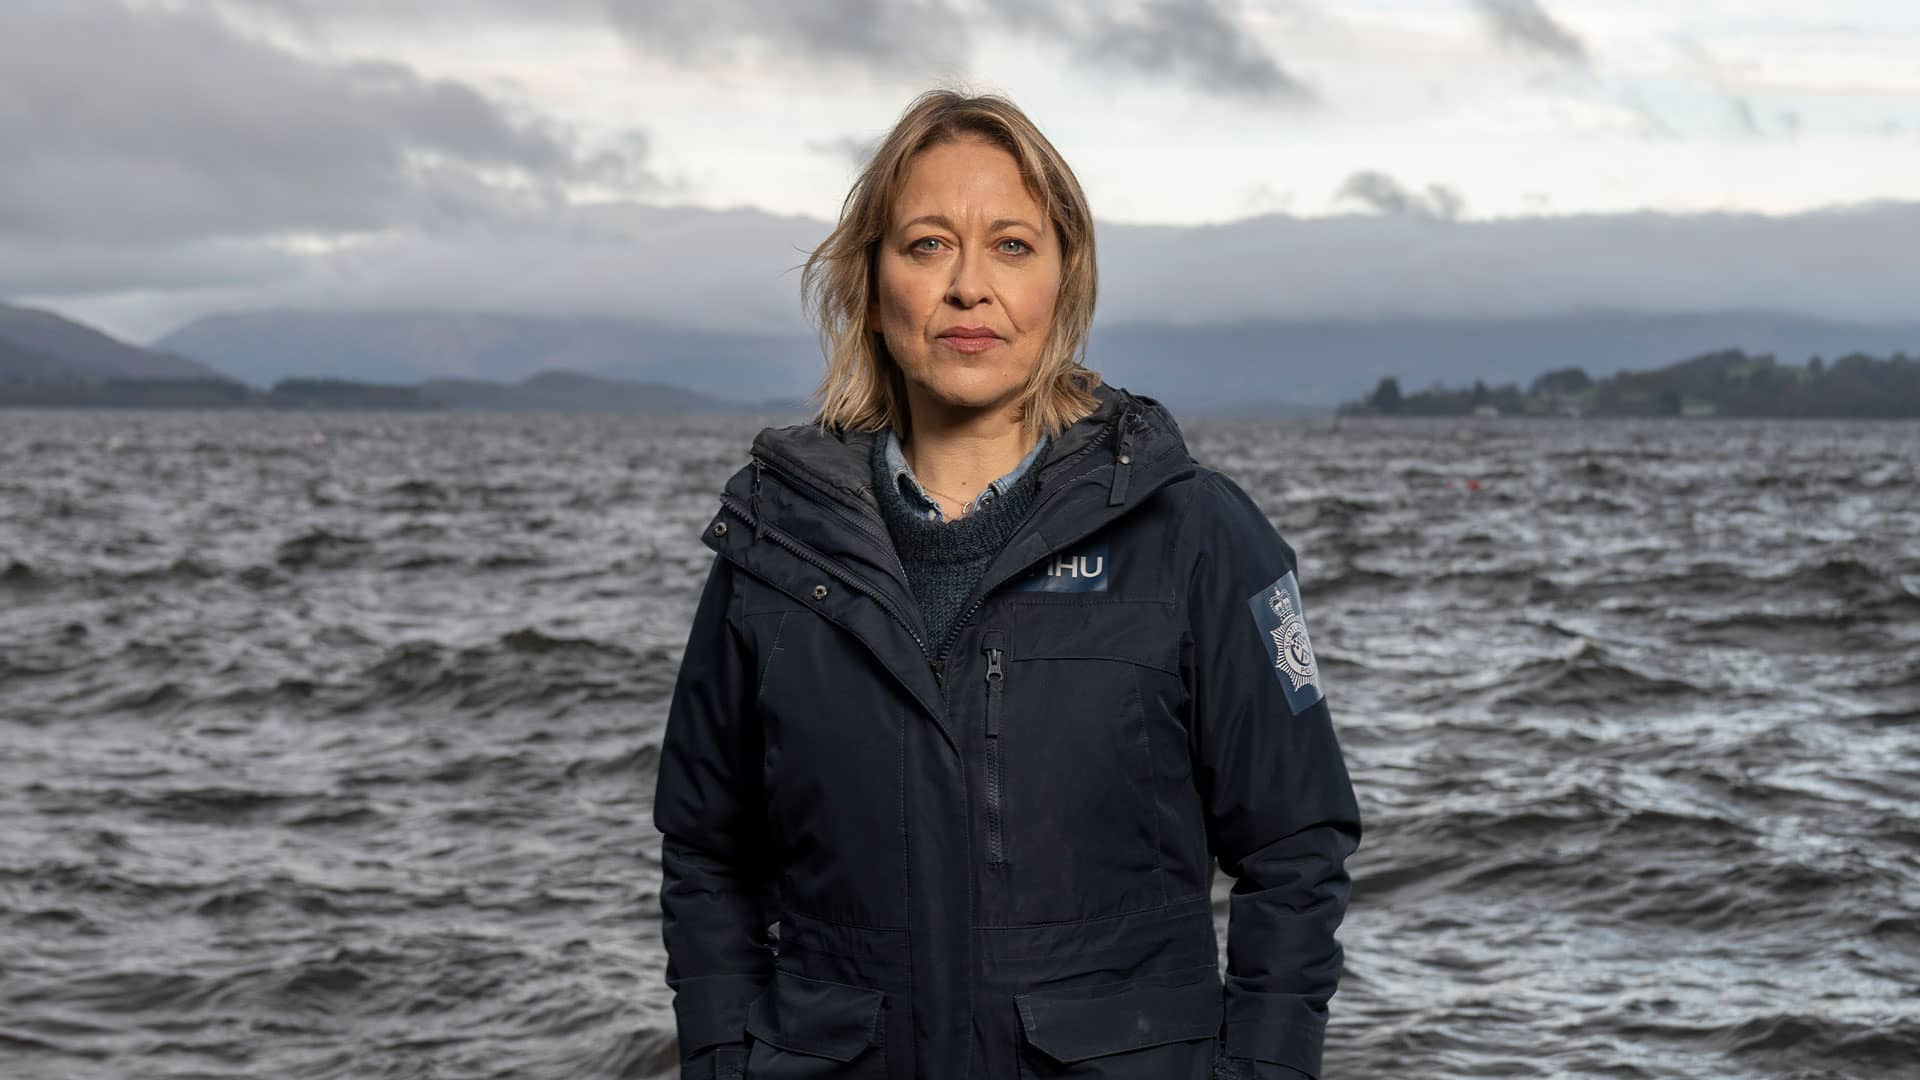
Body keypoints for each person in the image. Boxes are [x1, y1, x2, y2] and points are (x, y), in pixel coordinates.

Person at [653, 88, 1362, 1080]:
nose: (969, 288)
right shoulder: (775, 550)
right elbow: (707, 854)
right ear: (871, 277)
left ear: (1066, 278)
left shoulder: (1196, 537)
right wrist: (727, 1061)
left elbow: (1295, 850)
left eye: (1014, 247)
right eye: (928, 244)